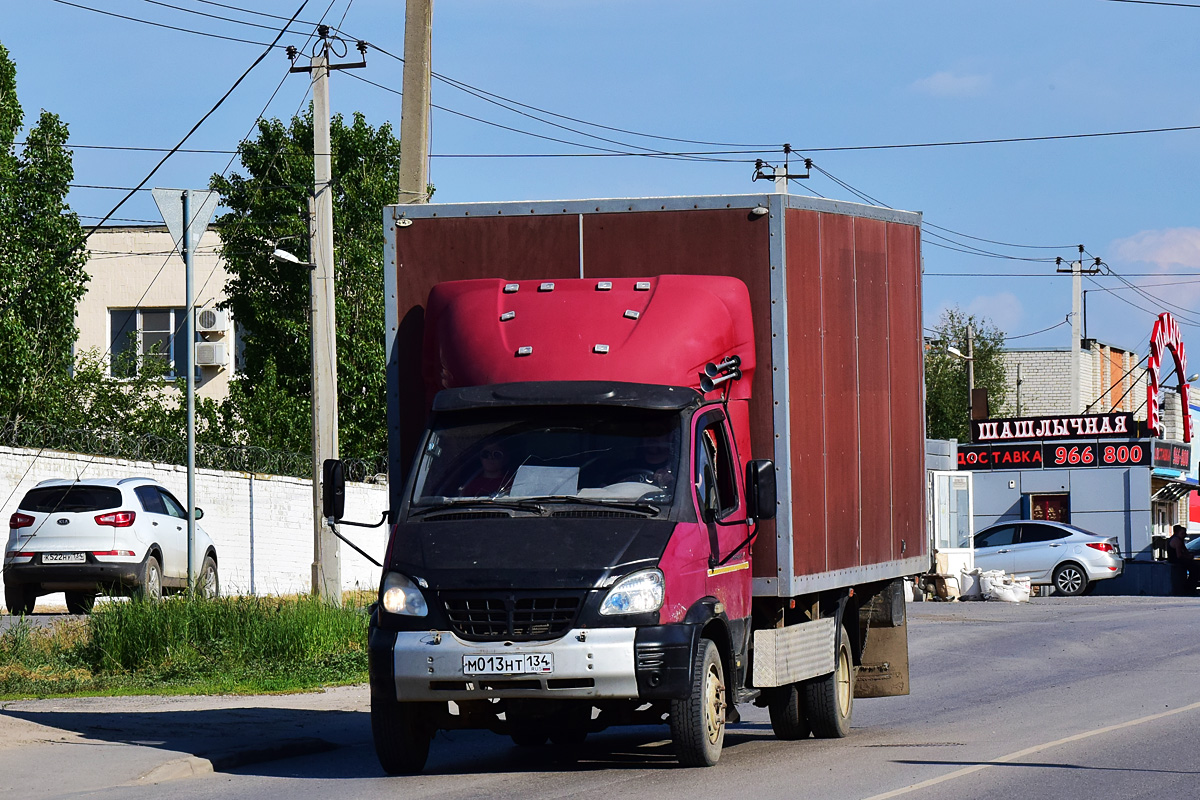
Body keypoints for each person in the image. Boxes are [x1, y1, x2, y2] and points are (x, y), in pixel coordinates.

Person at [1166, 524, 1195, 595]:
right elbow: (1179, 555)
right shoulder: (1177, 541)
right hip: (1176, 561)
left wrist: (1189, 555)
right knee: (1195, 569)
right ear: (1178, 533)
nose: (1184, 535)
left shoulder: (1179, 540)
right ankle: (1189, 588)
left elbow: (1185, 550)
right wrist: (1188, 557)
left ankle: (1189, 587)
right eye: (1182, 533)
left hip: (1177, 560)